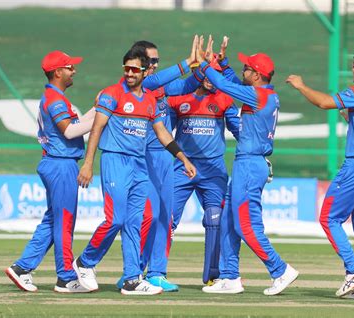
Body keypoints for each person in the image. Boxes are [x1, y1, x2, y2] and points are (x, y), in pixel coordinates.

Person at [73, 48, 196, 296]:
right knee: (115, 220)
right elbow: (96, 130)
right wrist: (87, 164)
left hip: (139, 166)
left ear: (144, 71)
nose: (129, 73)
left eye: (134, 69)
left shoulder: (150, 101)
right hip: (115, 162)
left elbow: (162, 133)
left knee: (134, 223)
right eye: (126, 68)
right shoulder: (111, 94)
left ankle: (131, 279)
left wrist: (183, 157)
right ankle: (85, 262)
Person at [286, 50, 354, 300]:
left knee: (328, 218)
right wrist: (351, 118)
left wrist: (301, 86)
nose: (352, 69)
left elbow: (324, 102)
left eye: (353, 66)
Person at [197, 36, 299, 296]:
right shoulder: (265, 94)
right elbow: (231, 83)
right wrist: (224, 63)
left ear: (256, 75)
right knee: (230, 222)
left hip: (250, 166)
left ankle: (280, 269)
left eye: (246, 68)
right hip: (249, 164)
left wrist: (206, 64)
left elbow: (222, 84)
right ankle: (230, 277)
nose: (243, 71)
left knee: (245, 225)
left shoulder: (257, 96)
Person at [114, 38, 205, 292]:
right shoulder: (140, 86)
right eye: (150, 61)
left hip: (167, 157)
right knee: (148, 216)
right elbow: (155, 80)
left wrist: (203, 67)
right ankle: (133, 272)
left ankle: (156, 272)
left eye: (156, 61)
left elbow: (187, 84)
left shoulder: (161, 87)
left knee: (166, 216)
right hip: (146, 157)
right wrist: (187, 61)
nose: (153, 66)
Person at [5, 50, 95, 293]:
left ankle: (23, 268)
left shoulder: (54, 97)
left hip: (56, 162)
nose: (73, 70)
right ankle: (65, 277)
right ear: (58, 72)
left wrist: (98, 109)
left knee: (54, 219)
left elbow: (75, 126)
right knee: (64, 221)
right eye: (69, 67)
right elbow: (69, 131)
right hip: (60, 164)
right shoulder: (55, 100)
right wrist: (101, 115)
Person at [168, 56, 240, 285]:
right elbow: (162, 132)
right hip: (182, 167)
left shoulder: (225, 99)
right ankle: (153, 272)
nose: (212, 79)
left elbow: (240, 132)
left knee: (215, 220)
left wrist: (256, 153)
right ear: (200, 74)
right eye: (209, 74)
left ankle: (213, 276)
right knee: (166, 219)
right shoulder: (179, 98)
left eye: (216, 74)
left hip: (213, 170)